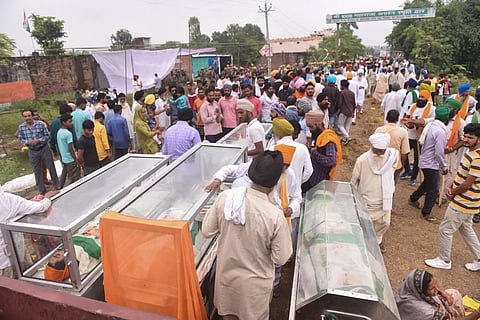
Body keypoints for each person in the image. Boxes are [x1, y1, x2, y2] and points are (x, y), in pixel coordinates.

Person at [202, 151, 292, 320]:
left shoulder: (226, 198)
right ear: (274, 182)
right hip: (254, 291)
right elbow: (281, 258)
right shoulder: (274, 215)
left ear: (250, 173)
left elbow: (207, 231)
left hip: (227, 283)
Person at [424, 123, 480, 271]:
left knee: (445, 229)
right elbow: (462, 176)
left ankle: (444, 260)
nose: (466, 140)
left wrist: (453, 192)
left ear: (479, 139)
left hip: (464, 202)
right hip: (468, 202)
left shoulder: (477, 158)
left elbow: (468, 183)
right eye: (465, 136)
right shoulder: (471, 153)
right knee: (466, 229)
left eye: (470, 137)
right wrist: (450, 187)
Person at [351, 133, 398, 253]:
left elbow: (396, 167)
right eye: (375, 150)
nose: (377, 153)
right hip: (367, 197)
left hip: (384, 198)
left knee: (385, 222)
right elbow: (354, 180)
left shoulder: (392, 157)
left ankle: (378, 238)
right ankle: (364, 242)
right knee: (366, 222)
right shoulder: (362, 160)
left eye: (380, 151)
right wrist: (355, 195)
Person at [0, 188, 58, 278]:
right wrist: (46, 198)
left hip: (11, 254)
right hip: (7, 260)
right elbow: (40, 207)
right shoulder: (8, 200)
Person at [408, 105, 450, 221]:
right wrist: (444, 166)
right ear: (446, 119)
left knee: (427, 183)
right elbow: (439, 152)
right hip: (431, 163)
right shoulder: (440, 131)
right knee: (434, 189)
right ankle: (426, 212)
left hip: (425, 160)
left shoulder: (431, 125)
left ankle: (413, 198)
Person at [396, 269, 480, 320]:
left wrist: (441, 292)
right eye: (432, 288)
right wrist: (478, 312)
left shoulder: (410, 287)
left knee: (453, 294)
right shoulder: (425, 312)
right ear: (421, 291)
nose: (436, 289)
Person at [18, 109, 60, 194]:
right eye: (25, 116)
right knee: (37, 170)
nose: (27, 118)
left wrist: (39, 140)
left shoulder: (40, 124)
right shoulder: (21, 127)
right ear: (23, 117)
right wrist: (27, 142)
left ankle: (56, 185)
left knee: (50, 166)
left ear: (32, 116)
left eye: (29, 116)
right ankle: (42, 189)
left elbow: (47, 135)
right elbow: (21, 139)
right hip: (32, 151)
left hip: (43, 148)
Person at [302, 111, 342, 193]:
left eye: (311, 127)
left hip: (319, 182)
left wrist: (315, 153)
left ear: (318, 124)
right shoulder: (319, 136)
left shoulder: (328, 139)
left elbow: (331, 161)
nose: (310, 130)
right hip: (313, 177)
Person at [375, 109, 410, 183]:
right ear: (397, 119)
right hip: (395, 164)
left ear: (386, 118)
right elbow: (404, 152)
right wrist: (402, 165)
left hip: (380, 162)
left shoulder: (379, 130)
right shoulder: (403, 132)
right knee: (391, 187)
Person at [57, 114, 81, 185]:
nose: (72, 123)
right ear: (64, 122)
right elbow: (70, 148)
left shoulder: (59, 132)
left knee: (70, 176)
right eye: (70, 122)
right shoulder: (68, 134)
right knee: (73, 177)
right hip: (70, 159)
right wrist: (76, 160)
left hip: (65, 158)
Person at [337, 79, 356, 145]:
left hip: (343, 111)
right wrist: (353, 112)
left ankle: (347, 137)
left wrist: (338, 111)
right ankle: (344, 139)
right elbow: (354, 104)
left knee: (340, 125)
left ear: (342, 85)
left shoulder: (342, 93)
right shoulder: (352, 93)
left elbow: (340, 103)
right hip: (350, 111)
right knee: (347, 126)